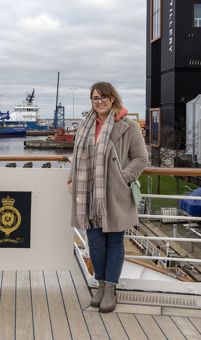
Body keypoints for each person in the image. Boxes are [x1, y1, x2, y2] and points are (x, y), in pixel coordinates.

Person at [68, 82, 147, 313]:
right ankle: (100, 285)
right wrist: (71, 180)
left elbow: (141, 158)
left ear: (113, 99)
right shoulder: (85, 125)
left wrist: (123, 178)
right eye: (95, 98)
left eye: (103, 97)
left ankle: (111, 289)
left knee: (114, 241)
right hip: (88, 193)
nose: (99, 101)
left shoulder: (128, 125)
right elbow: (76, 156)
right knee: (95, 242)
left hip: (114, 192)